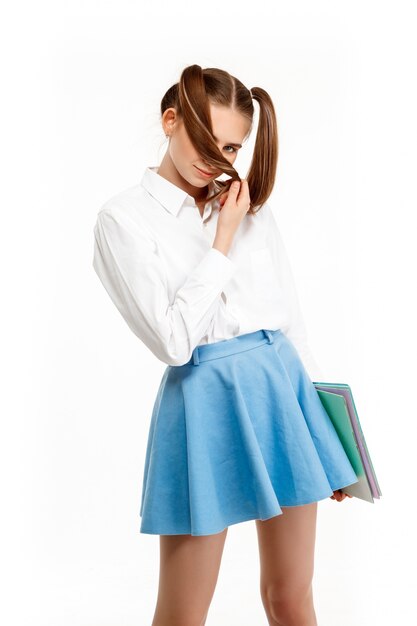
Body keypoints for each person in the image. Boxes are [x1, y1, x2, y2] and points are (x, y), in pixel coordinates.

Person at [92, 64, 358, 626]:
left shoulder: (248, 209)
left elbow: (291, 325)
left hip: (284, 397)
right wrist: (222, 239)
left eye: (233, 147)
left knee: (290, 599)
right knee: (183, 614)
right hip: (202, 404)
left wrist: (327, 434)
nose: (218, 158)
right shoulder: (123, 220)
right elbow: (173, 343)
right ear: (171, 120)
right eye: (209, 139)